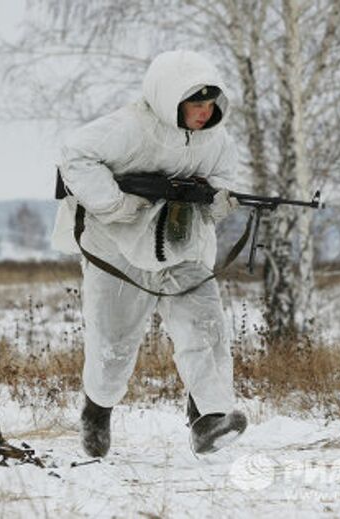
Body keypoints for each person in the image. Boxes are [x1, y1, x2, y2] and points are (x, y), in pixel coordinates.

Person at [52, 50, 249, 456]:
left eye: (210, 103)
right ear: (170, 99)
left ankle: (210, 419)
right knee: (114, 345)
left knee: (206, 331)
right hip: (118, 249)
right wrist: (115, 205)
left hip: (182, 246)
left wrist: (217, 202)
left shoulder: (217, 140)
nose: (204, 112)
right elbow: (74, 155)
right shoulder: (128, 128)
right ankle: (97, 410)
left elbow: (223, 181)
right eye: (196, 103)